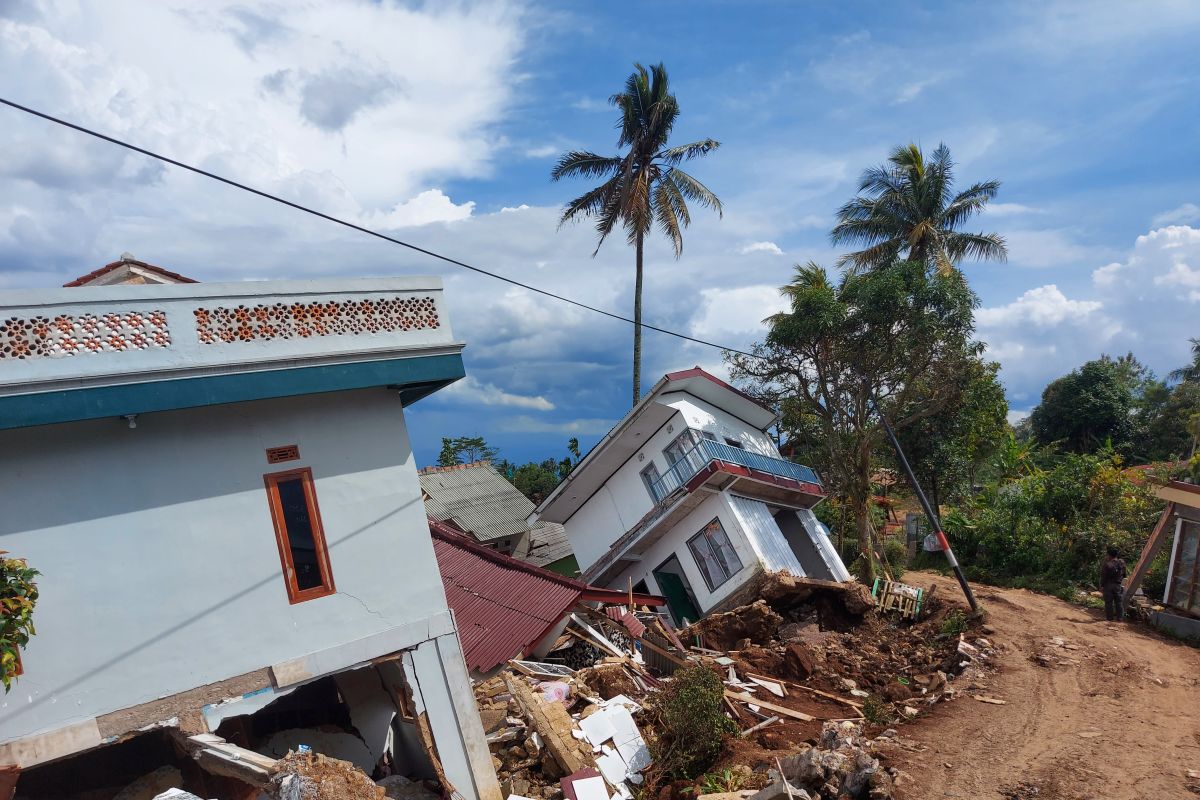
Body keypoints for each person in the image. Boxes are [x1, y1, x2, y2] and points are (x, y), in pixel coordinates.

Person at [1100, 546, 1127, 622]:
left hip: (1108, 585)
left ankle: (1110, 618)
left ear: (1109, 555)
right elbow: (1125, 575)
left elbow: (1104, 577)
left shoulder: (1107, 565)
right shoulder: (1122, 564)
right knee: (1118, 602)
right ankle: (1120, 618)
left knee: (1108, 602)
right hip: (1118, 585)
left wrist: (1102, 586)